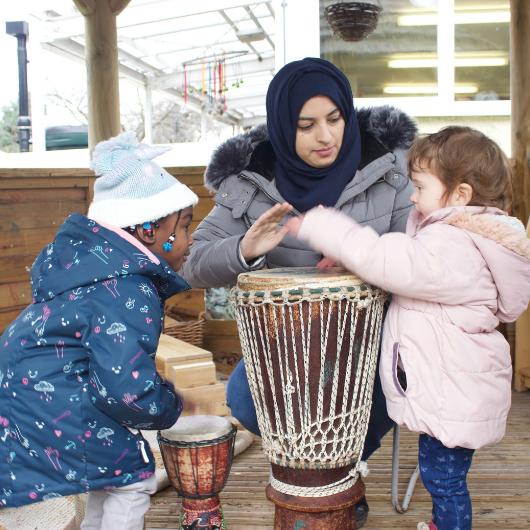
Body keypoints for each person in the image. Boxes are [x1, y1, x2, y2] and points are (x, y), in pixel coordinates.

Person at [181, 56, 417, 526]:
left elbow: (421, 250)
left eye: (335, 120)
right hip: (287, 346)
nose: (325, 137)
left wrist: (367, 257)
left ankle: (345, 472)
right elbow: (191, 265)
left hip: (372, 341)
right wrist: (244, 248)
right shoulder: (250, 181)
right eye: (306, 125)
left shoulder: (390, 171)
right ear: (283, 125)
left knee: (393, 391)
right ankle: (319, 472)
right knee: (245, 399)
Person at [286, 126, 530, 530]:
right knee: (443, 475)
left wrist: (325, 227)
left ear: (460, 195)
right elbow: (411, 271)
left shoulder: (454, 244)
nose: (413, 197)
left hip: (453, 390)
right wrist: (352, 261)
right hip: (454, 385)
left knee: (444, 480)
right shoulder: (465, 241)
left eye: (419, 187)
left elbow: (393, 261)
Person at [0, 132, 198, 530]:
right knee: (134, 476)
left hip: (28, 400)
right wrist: (170, 406)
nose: (190, 241)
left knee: (109, 474)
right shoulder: (127, 288)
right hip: (47, 405)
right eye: (187, 226)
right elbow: (126, 388)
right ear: (148, 231)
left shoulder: (92, 272)